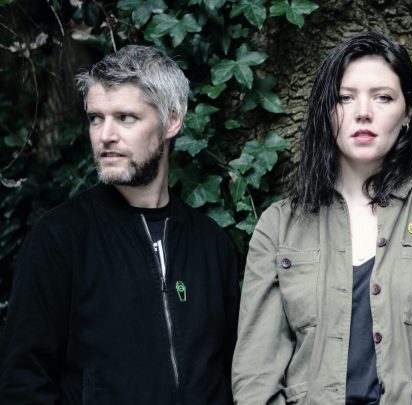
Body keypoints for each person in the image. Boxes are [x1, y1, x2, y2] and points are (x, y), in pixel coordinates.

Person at [231, 31, 412, 404]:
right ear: (327, 112)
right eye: (345, 97)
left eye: (383, 97)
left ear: (408, 113)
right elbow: (255, 377)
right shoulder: (278, 227)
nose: (363, 112)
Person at [0, 45, 241, 404]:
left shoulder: (211, 244)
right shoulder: (61, 238)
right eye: (96, 118)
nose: (105, 135)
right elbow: (23, 382)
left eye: (126, 117)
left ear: (172, 120)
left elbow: (232, 370)